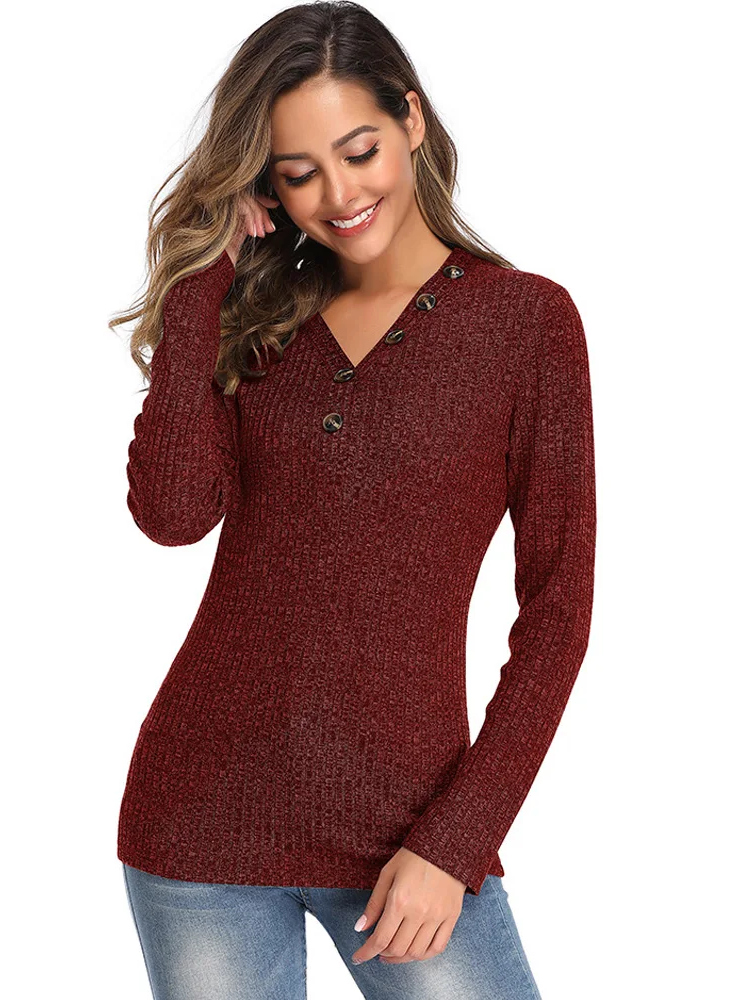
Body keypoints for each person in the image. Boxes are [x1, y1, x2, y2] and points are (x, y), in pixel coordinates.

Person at [109, 3, 596, 997]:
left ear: (410, 120)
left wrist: (457, 842)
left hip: (410, 836)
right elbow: (171, 513)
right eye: (298, 172)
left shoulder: (526, 323)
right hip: (199, 826)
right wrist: (200, 284)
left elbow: (558, 613)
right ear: (265, 183)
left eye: (359, 150)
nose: (338, 194)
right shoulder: (259, 322)